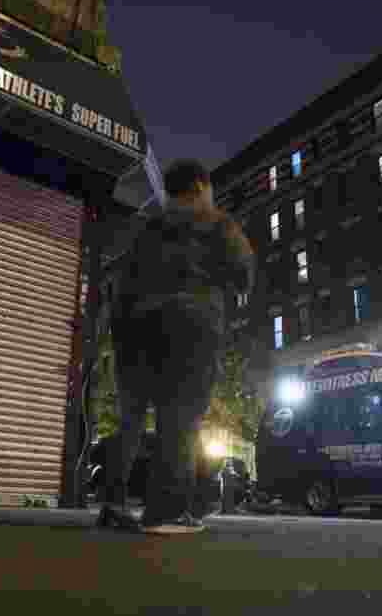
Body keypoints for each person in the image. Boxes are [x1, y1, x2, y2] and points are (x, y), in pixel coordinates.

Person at [98, 159, 255, 534]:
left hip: (135, 331)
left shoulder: (148, 228)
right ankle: (165, 512)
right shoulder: (218, 224)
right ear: (201, 187)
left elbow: (123, 283)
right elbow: (243, 271)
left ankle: (113, 504)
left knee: (131, 422)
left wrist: (119, 336)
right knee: (180, 418)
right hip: (189, 326)